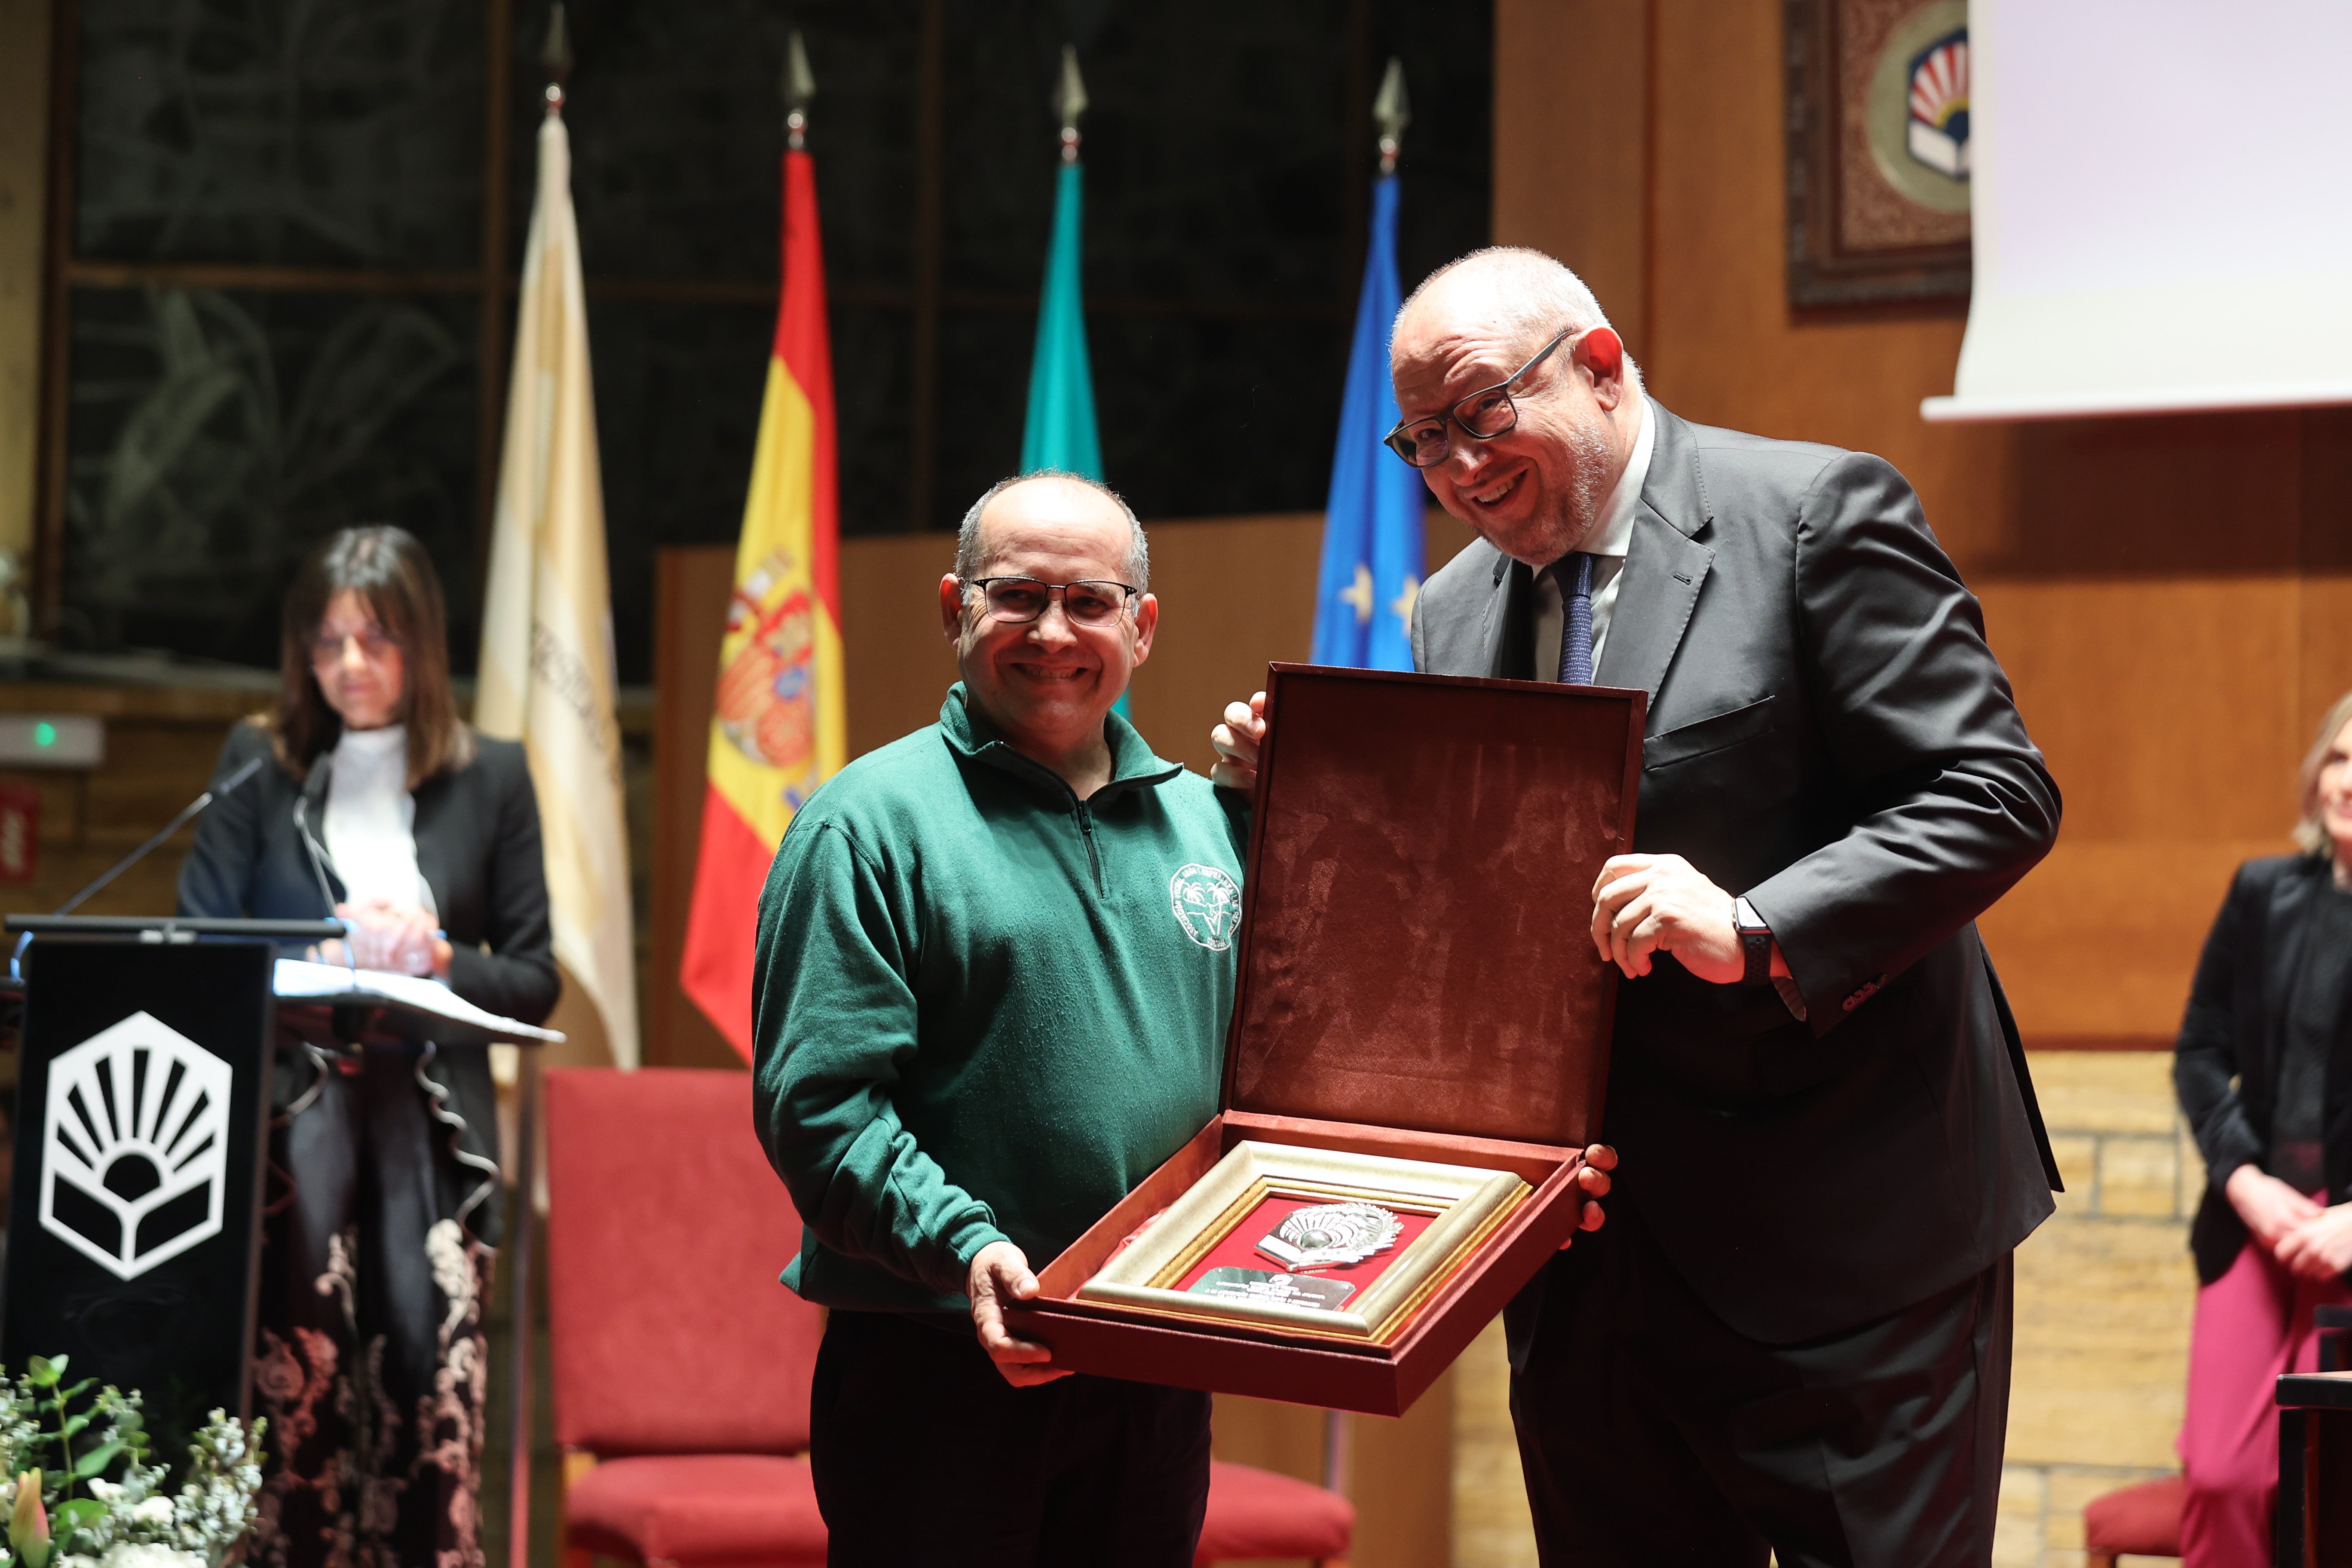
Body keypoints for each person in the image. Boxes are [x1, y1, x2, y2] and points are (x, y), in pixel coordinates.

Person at [1212, 248, 2062, 1568]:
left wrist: (1761, 923)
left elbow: (1994, 791)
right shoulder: (1448, 611)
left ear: (1600, 369)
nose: (1452, 470)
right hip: (1589, 1265)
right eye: (1423, 438)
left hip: (1846, 1246)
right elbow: (1472, 908)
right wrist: (1314, 802)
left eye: (1482, 415)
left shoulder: (1813, 515)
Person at [751, 470, 1613, 1566]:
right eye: (1016, 596)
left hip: (1154, 1363)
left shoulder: (1219, 826)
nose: (1053, 633)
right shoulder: (868, 827)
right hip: (944, 1360)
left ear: (1143, 627)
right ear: (954, 607)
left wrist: (1315, 811)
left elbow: (1362, 1038)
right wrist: (965, 1247)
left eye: (1092, 602)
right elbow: (822, 1114)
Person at [178, 525, 557, 1568]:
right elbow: (201, 936)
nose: (350, 665)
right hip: (287, 1124)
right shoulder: (259, 764)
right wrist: (306, 951)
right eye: (328, 641)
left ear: (422, 648)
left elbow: (534, 973)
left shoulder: (495, 776)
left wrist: (437, 957)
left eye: (376, 640)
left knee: (424, 1390)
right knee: (290, 1397)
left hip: (428, 1129)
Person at [2173, 691, 2352, 1565]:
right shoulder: (2262, 891)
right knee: (2220, 1476)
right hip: (2257, 1216)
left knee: (2339, 1486)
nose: (2348, 781)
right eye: (2340, 757)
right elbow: (2200, 1050)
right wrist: (2243, 1180)